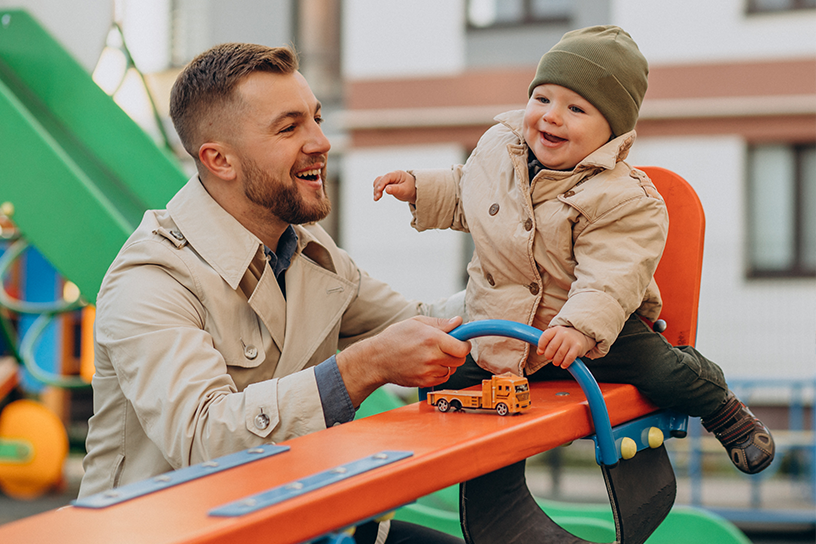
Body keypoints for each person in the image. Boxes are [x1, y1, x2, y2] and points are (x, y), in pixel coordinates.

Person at [79, 43, 469, 544]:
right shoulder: (152, 277)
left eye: (316, 119)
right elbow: (202, 439)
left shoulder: (306, 249)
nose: (321, 142)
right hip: (170, 532)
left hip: (285, 520)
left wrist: (541, 290)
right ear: (219, 160)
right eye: (289, 128)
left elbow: (420, 322)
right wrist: (361, 368)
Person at [373, 25, 774, 476]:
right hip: (503, 326)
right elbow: (469, 191)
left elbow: (611, 276)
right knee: (447, 378)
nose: (551, 116)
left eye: (576, 108)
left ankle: (722, 408)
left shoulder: (623, 198)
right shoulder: (497, 150)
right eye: (542, 99)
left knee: (660, 372)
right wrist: (420, 189)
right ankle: (422, 457)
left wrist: (581, 327)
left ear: (611, 131)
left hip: (595, 331)